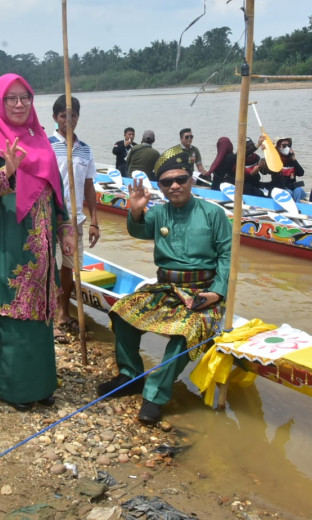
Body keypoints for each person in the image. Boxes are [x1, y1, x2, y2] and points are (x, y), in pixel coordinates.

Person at [97, 145, 231, 425]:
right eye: (167, 182)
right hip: (165, 289)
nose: (174, 186)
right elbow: (139, 230)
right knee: (122, 312)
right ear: (161, 186)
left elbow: (227, 256)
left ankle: (155, 395)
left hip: (203, 292)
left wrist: (217, 292)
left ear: (191, 180)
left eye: (181, 179)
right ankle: (130, 375)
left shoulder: (213, 214)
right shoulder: (159, 213)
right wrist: (134, 211)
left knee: (186, 332)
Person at [0, 73, 75, 411]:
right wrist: (7, 172)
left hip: (42, 241)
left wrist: (65, 227)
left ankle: (41, 384)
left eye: (24, 98)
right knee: (13, 311)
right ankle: (14, 389)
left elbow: (54, 187)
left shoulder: (38, 135)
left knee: (40, 312)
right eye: (11, 98)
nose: (18, 104)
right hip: (8, 239)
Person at [49, 94, 100, 342]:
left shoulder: (85, 149)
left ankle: (63, 313)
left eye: (73, 116)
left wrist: (94, 221)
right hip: (51, 217)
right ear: (55, 118)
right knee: (51, 266)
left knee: (69, 267)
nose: (68, 121)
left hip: (76, 219)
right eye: (63, 116)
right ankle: (49, 313)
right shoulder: (47, 146)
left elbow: (89, 187)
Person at [264, 137, 306, 201]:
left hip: (291, 186)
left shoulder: (291, 160)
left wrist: (294, 160)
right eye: (284, 145)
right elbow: (266, 171)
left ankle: (298, 207)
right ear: (278, 147)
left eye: (288, 145)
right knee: (289, 192)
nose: (287, 147)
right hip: (279, 187)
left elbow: (301, 173)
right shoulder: (274, 160)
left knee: (299, 190)